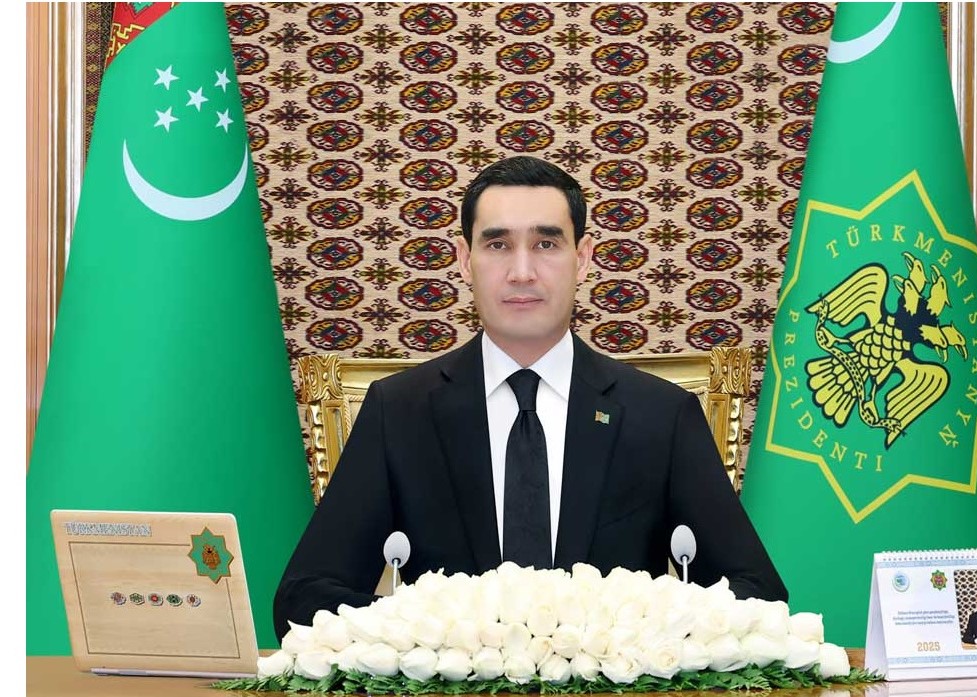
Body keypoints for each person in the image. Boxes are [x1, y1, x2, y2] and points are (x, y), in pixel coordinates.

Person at [273, 156, 787, 639]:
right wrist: (435, 639)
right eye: (498, 245)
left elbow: (759, 595)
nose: (522, 271)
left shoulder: (660, 416)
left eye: (546, 244)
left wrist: (633, 636)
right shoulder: (400, 412)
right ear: (464, 260)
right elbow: (304, 598)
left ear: (582, 258)